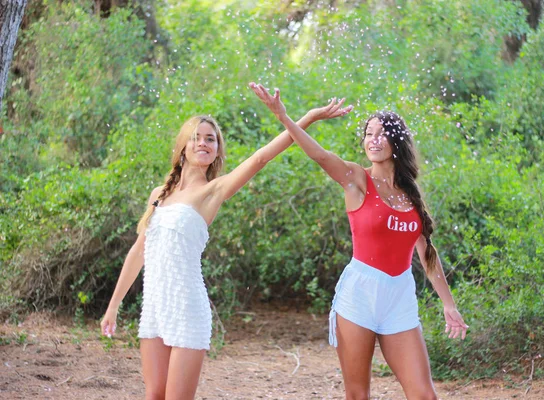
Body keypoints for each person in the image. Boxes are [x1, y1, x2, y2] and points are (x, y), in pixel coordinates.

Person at [100, 97, 352, 400]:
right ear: (183, 146)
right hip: (155, 307)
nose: (204, 143)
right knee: (154, 395)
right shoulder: (159, 194)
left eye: (212, 139)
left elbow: (260, 158)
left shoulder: (213, 191)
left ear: (217, 150)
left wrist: (305, 118)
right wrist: (113, 305)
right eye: (197, 137)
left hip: (188, 309)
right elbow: (139, 251)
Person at [250, 82, 468, 400]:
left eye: (382, 133)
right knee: (358, 394)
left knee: (424, 394)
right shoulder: (357, 179)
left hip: (400, 298)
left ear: (397, 141)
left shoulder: (411, 194)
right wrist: (286, 117)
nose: (373, 139)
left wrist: (449, 305)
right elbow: (320, 156)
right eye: (368, 133)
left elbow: (426, 253)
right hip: (359, 295)